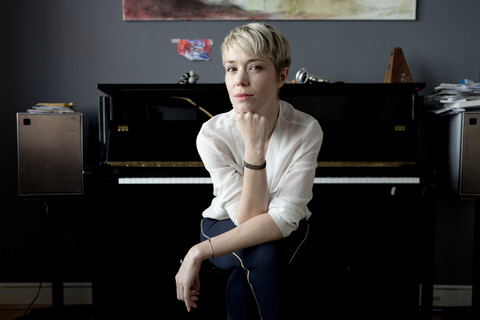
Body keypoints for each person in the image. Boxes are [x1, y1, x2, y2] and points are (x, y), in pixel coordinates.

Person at [175, 22, 323, 319]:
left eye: (255, 67)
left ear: (281, 75)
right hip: (222, 223)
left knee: (256, 264)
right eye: (231, 68)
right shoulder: (212, 133)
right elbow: (245, 219)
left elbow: (282, 218)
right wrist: (254, 150)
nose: (240, 81)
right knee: (266, 252)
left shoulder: (305, 129)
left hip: (285, 229)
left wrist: (197, 252)